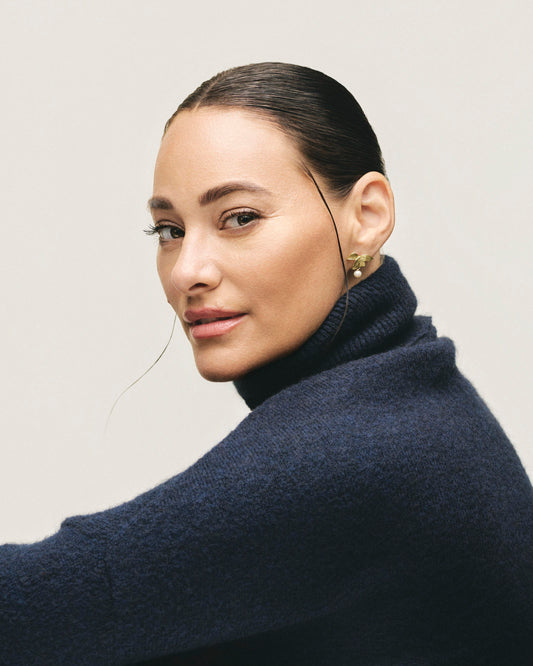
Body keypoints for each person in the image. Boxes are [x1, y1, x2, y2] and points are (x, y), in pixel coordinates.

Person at [1, 62, 532, 665]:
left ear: (366, 216)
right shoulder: (414, 393)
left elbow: (38, 607)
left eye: (240, 218)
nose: (186, 272)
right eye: (169, 230)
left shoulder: (358, 451)